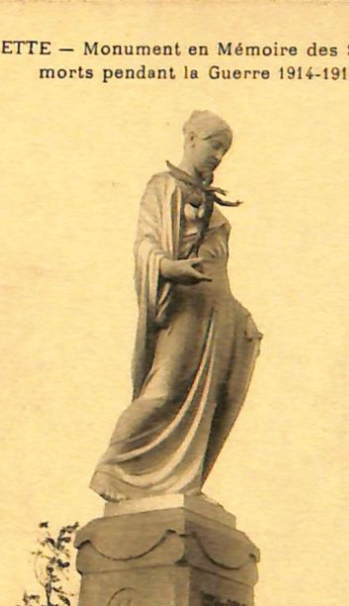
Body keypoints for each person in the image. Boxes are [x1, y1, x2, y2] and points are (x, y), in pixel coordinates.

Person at [90, 111, 262, 502]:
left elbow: (220, 270)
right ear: (190, 138)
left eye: (224, 150)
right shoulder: (163, 187)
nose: (218, 155)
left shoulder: (215, 209)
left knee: (212, 397)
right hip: (182, 306)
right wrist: (170, 268)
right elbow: (145, 244)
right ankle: (114, 469)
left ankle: (184, 481)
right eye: (213, 144)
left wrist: (239, 314)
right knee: (164, 391)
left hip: (216, 313)